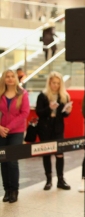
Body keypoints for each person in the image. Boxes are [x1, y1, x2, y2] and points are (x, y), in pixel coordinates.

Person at [35, 71, 72, 191]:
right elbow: (39, 112)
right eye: (53, 83)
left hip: (58, 128)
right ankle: (48, 180)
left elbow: (64, 115)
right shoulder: (43, 95)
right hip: (45, 128)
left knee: (60, 154)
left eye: (58, 83)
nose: (55, 85)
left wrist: (68, 111)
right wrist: (49, 108)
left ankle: (61, 179)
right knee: (47, 154)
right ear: (49, 83)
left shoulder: (64, 96)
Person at [0, 69, 30, 203]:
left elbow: (24, 113)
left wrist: (8, 127)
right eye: (7, 76)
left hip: (16, 131)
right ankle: (6, 190)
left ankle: (14, 190)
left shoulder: (22, 93)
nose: (10, 79)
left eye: (12, 76)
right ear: (4, 79)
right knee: (3, 161)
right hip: (0, 131)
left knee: (12, 161)